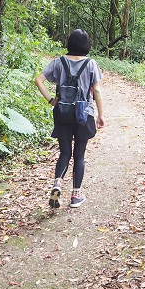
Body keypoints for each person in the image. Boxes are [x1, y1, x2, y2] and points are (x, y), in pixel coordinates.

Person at [34, 29, 104, 208]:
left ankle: (57, 184)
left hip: (62, 113)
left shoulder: (58, 62)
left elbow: (39, 80)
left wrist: (51, 100)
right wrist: (101, 115)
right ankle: (76, 196)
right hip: (83, 114)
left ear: (69, 43)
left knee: (64, 153)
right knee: (79, 155)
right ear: (87, 45)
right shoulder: (91, 64)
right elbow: (96, 91)